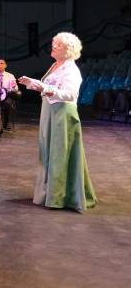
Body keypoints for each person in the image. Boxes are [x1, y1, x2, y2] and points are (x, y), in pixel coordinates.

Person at [18, 32, 97, 211]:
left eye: (59, 45)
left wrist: (44, 87)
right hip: (50, 111)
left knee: (60, 153)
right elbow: (50, 87)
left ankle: (60, 197)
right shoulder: (55, 65)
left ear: (68, 50)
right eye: (55, 43)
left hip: (63, 114)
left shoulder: (71, 70)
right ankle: (48, 193)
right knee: (48, 151)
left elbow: (70, 94)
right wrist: (35, 84)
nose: (54, 46)